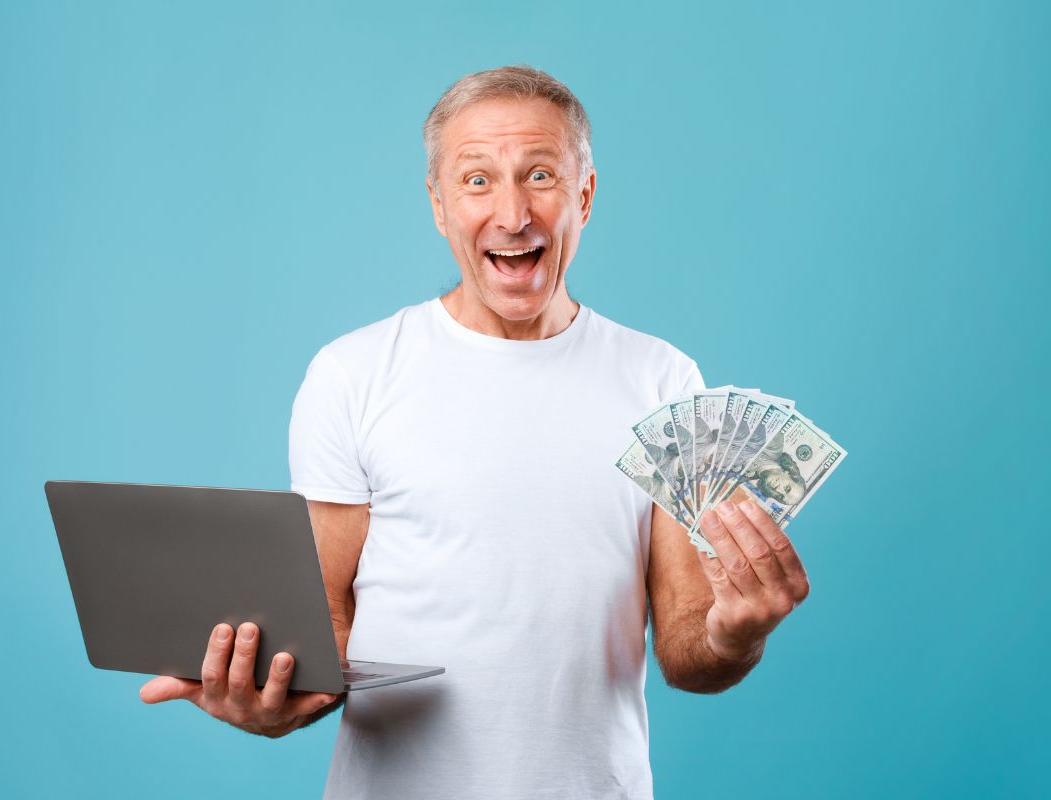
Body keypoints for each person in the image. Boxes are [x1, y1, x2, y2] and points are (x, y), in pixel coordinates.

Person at [138, 65, 812, 799]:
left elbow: (688, 650)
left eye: (542, 176)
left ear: (585, 196)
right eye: (478, 181)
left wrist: (735, 632)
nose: (514, 213)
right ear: (438, 205)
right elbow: (325, 627)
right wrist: (268, 703)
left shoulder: (663, 381)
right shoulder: (353, 373)